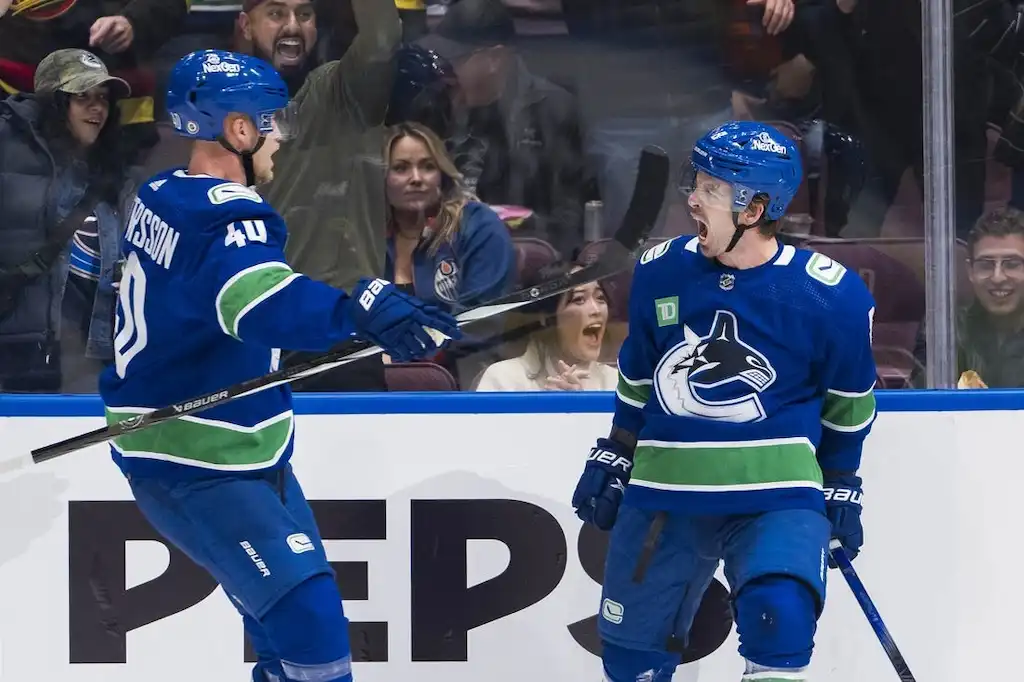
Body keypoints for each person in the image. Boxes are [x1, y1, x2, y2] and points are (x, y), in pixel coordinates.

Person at [98, 50, 460, 682]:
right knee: (311, 627)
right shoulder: (225, 213)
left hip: (229, 451)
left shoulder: (159, 194)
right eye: (274, 122)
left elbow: (214, 302)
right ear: (238, 129)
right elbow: (258, 304)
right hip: (202, 461)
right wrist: (356, 306)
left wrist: (353, 311)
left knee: (280, 639)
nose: (280, 138)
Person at [571, 121, 877, 682]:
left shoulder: (828, 294)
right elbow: (639, 375)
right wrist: (617, 448)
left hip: (774, 499)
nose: (692, 198)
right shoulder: (660, 269)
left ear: (755, 208)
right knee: (629, 659)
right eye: (697, 183)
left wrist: (842, 479)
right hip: (666, 494)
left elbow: (849, 402)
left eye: (712, 190)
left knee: (777, 619)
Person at [0, 48, 133, 393]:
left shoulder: (112, 170)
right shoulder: (7, 144)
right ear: (53, 103)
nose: (96, 108)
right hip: (13, 352)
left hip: (88, 359)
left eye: (102, 98)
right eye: (82, 97)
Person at [474, 261, 617, 392]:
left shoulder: (618, 383)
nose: (596, 310)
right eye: (578, 299)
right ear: (546, 317)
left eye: (600, 298)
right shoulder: (503, 380)